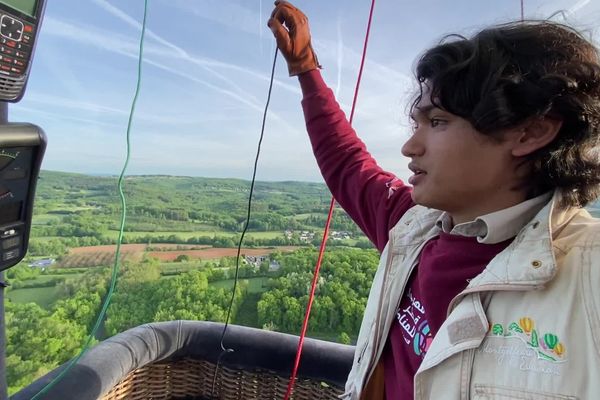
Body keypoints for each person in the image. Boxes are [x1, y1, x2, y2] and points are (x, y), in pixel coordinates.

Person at [268, 1, 600, 399]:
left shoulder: (587, 275)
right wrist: (306, 69)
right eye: (417, 123)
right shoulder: (414, 226)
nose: (410, 146)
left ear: (530, 133)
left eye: (438, 122)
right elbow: (347, 163)